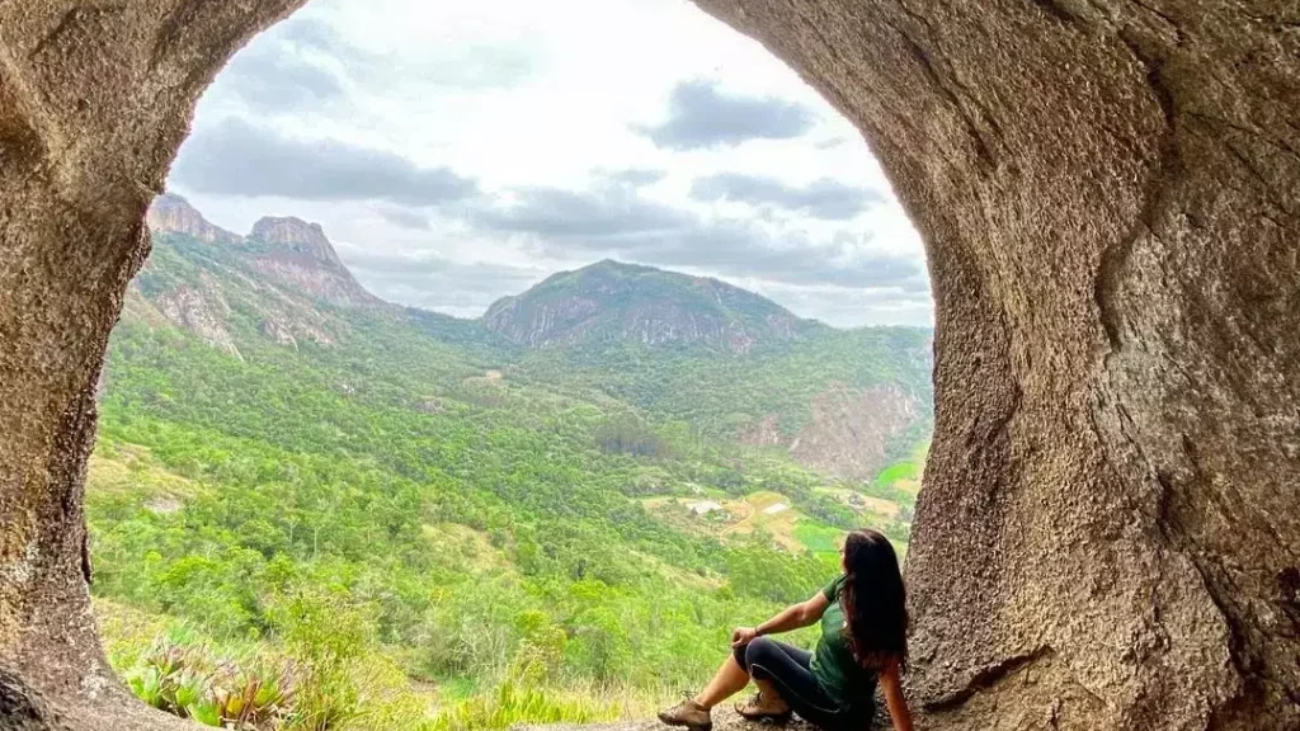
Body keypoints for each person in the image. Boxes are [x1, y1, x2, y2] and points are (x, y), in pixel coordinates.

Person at [658, 529, 913, 731]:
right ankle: (699, 707)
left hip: (838, 708)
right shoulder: (846, 585)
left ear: (858, 564)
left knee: (758, 649)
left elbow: (891, 685)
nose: (839, 553)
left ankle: (774, 703)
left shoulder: (879, 618)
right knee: (749, 642)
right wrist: (756, 629)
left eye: (844, 551)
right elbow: (803, 613)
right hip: (817, 671)